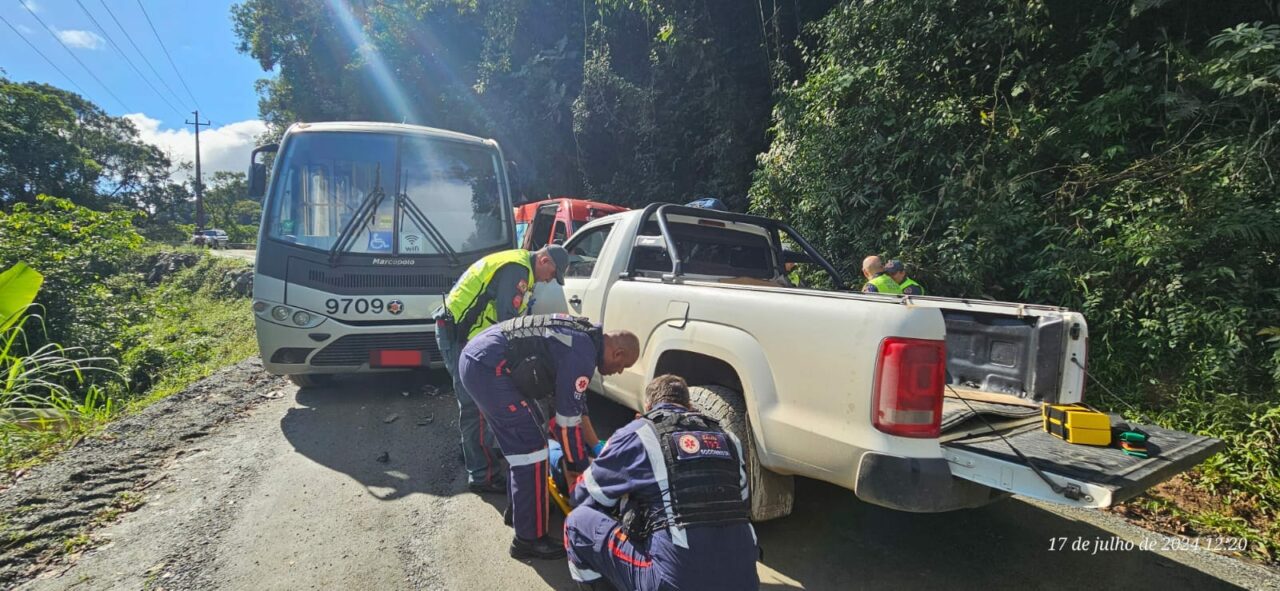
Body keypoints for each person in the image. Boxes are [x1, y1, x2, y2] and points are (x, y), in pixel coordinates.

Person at [458, 314, 640, 560]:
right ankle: (529, 540)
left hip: (480, 360)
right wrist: (579, 469)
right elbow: (567, 423)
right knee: (531, 450)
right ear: (618, 354)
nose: (619, 372)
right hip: (489, 369)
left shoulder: (584, 338)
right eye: (623, 366)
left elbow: (573, 405)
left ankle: (520, 511)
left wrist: (595, 445)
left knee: (523, 445)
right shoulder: (582, 352)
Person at [564, 374, 760, 591]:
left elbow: (584, 496)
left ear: (647, 406)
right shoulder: (728, 439)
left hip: (676, 582)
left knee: (577, 523)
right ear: (689, 404)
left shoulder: (639, 433)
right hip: (744, 582)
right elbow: (740, 504)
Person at [435, 246, 570, 494]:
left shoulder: (521, 266)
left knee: (479, 403)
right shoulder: (517, 270)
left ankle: (474, 453)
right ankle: (481, 475)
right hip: (459, 336)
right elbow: (507, 321)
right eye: (553, 273)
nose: (551, 279)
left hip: (465, 334)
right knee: (475, 405)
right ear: (544, 260)